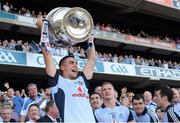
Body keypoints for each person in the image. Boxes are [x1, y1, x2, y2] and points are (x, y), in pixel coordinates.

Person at [36, 18, 96, 122]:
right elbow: (46, 52)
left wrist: (89, 35)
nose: (76, 66)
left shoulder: (82, 80)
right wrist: (43, 27)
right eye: (71, 63)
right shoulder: (56, 81)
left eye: (76, 63)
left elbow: (91, 59)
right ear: (62, 67)